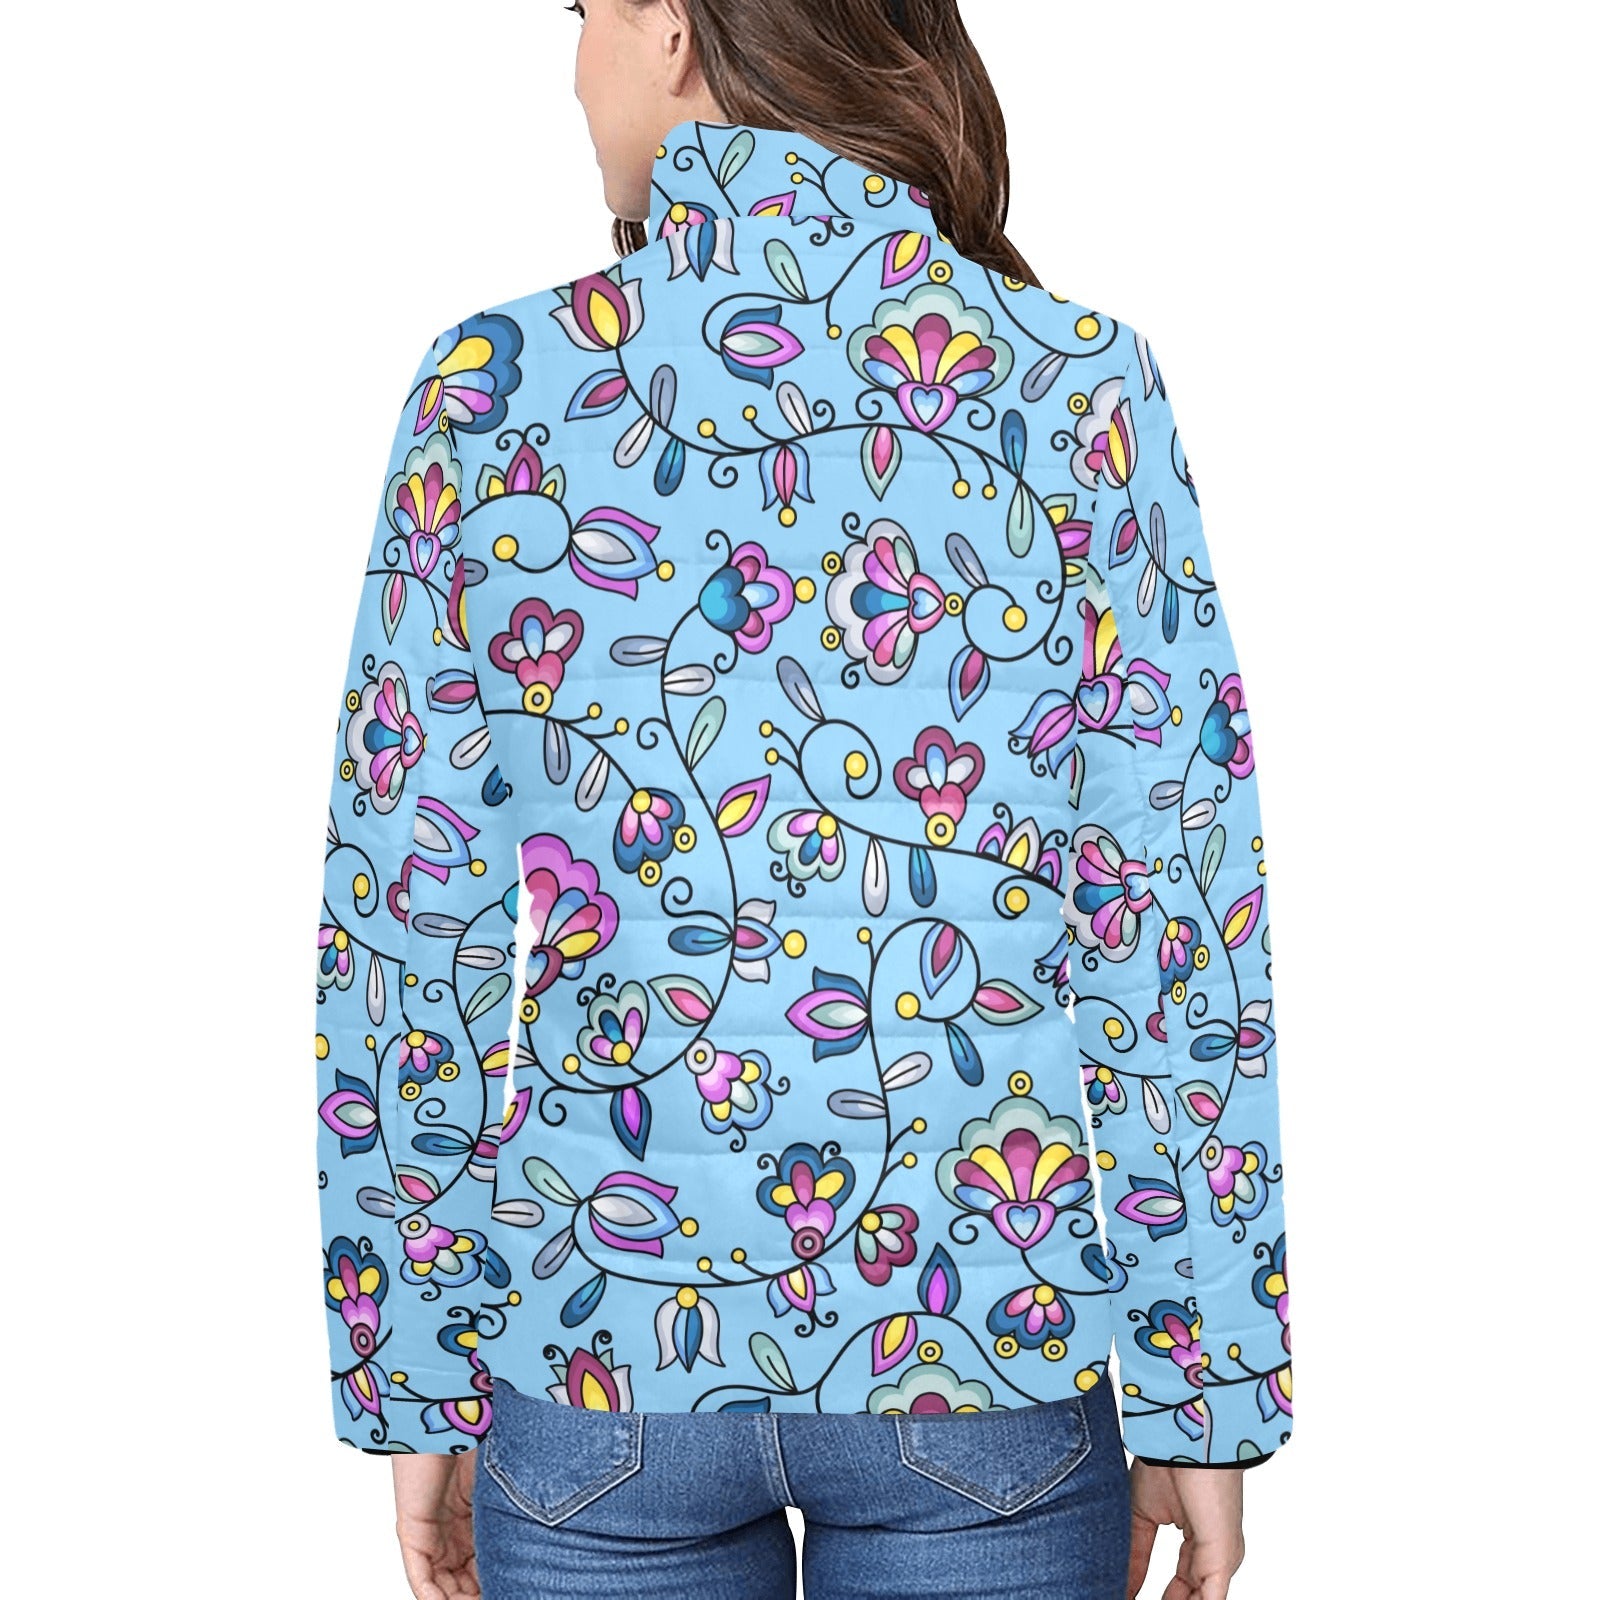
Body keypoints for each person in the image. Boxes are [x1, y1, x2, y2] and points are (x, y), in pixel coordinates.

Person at [311, 2, 1294, 1595]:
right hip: (982, 1338)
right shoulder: (1079, 385)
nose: (570, 64)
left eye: (579, 11)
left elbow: (406, 929)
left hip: (596, 1351)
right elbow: (1175, 923)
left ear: (673, 28)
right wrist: (1207, 1387)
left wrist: (414, 1371)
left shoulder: (493, 392)